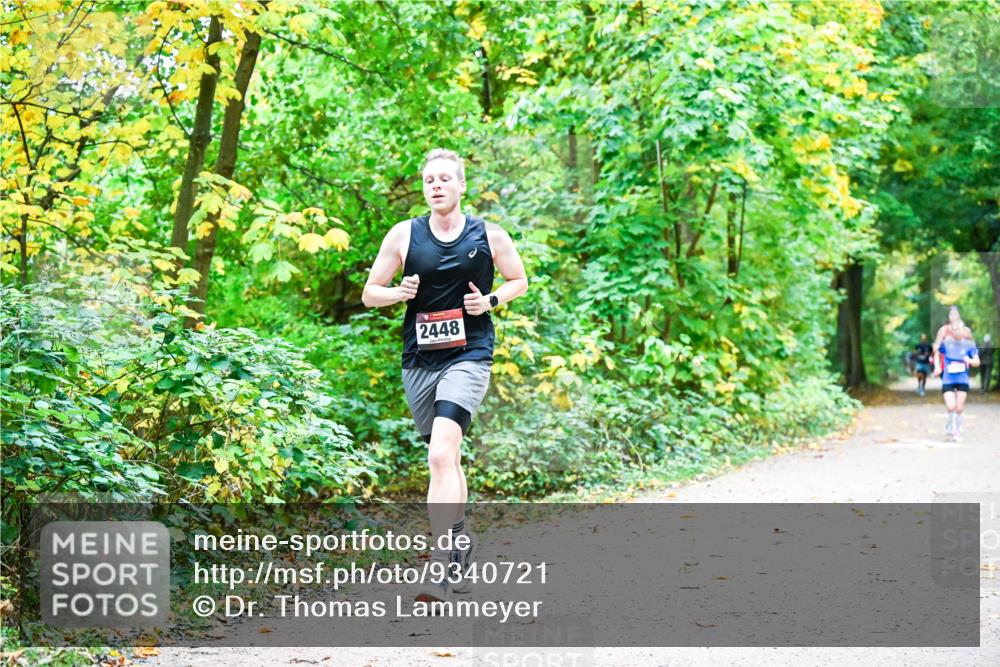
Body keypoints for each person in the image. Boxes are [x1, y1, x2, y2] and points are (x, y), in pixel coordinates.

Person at [361, 149, 528, 602]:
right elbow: (368, 293)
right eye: (429, 180)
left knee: (440, 455)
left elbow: (519, 280)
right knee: (447, 460)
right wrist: (397, 293)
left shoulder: (489, 235)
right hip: (419, 359)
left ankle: (438, 563)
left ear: (461, 186)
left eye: (444, 179)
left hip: (469, 355)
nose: (436, 186)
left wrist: (490, 302)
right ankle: (459, 546)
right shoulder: (403, 235)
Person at [931, 306, 981, 441]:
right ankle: (952, 425)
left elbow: (976, 357)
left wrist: (969, 359)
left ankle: (957, 428)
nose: (957, 332)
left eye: (955, 314)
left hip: (962, 378)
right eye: (951, 314)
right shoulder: (944, 333)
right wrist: (937, 366)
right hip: (948, 376)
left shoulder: (967, 336)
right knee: (951, 406)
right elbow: (936, 349)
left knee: (959, 408)